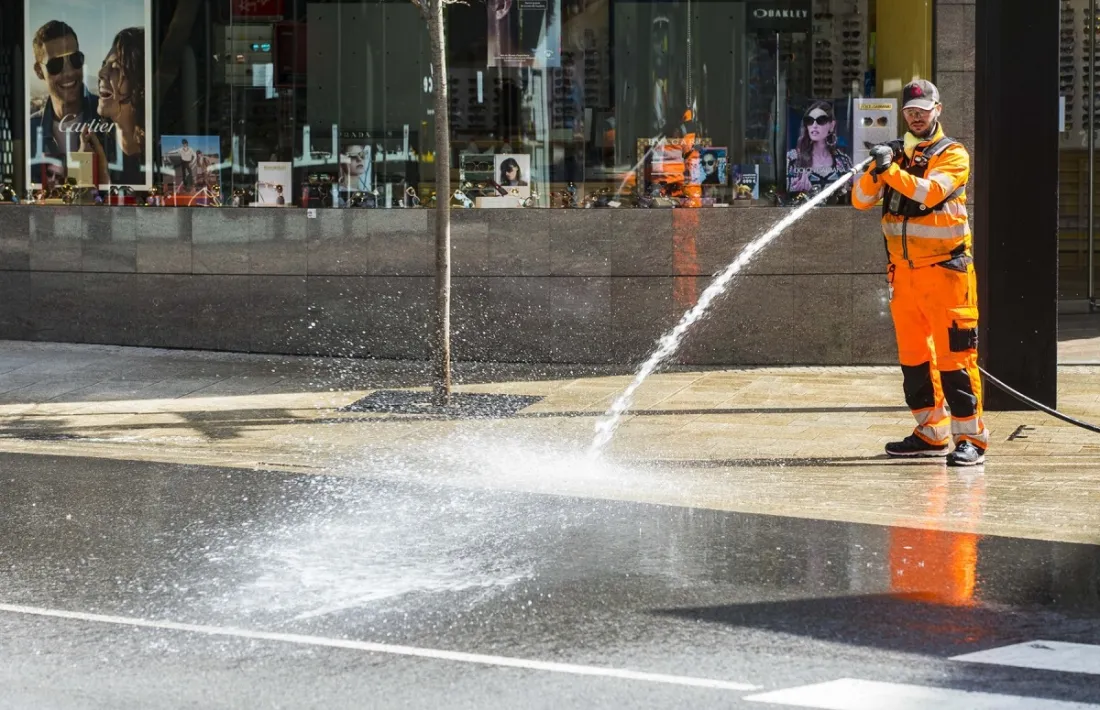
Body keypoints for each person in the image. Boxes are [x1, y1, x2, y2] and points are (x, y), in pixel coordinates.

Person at [851, 79, 989, 467]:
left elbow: (930, 193)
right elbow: (861, 200)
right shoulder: (896, 155)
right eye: (910, 110)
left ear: (937, 111)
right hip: (904, 276)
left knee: (955, 360)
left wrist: (889, 170)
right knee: (915, 361)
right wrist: (880, 168)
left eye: (922, 110)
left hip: (947, 273)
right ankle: (930, 433)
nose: (915, 116)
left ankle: (971, 439)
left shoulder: (954, 153)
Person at [28, 21, 103, 168]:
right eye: (56, 65)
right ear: (39, 71)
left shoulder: (107, 120)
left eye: (75, 60)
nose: (68, 73)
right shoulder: (29, 132)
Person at [787, 100, 854, 200]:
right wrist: (796, 191)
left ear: (832, 125)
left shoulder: (844, 161)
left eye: (821, 120)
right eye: (809, 121)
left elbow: (852, 193)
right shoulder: (792, 159)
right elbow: (781, 197)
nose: (814, 125)